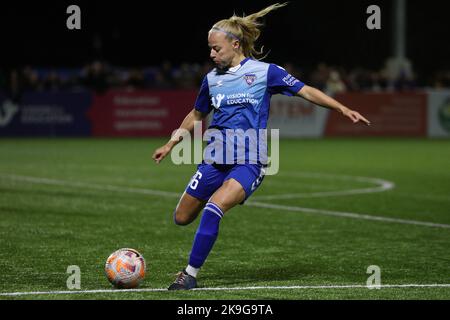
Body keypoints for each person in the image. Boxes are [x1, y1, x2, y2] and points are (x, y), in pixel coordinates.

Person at [152, 3, 370, 290]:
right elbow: (196, 115)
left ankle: (189, 274)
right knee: (181, 217)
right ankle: (205, 196)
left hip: (250, 160)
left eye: (216, 48)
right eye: (210, 48)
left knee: (214, 209)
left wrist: (341, 108)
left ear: (235, 43)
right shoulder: (211, 80)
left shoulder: (265, 73)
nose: (211, 54)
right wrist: (171, 143)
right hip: (215, 159)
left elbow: (305, 90)